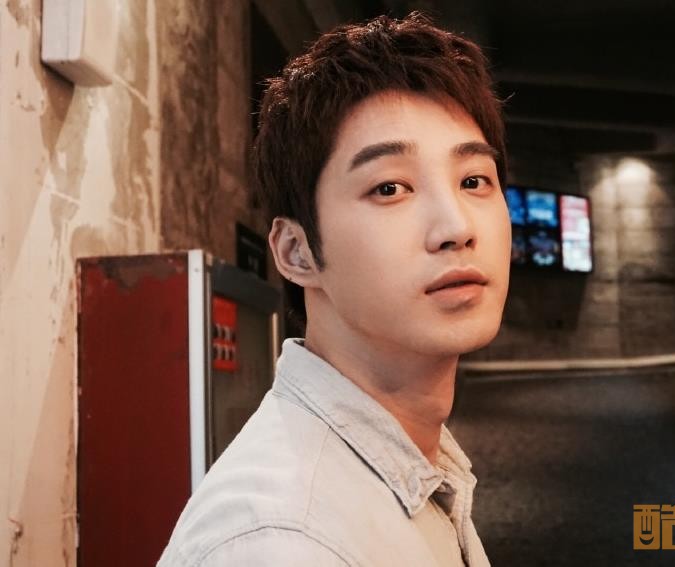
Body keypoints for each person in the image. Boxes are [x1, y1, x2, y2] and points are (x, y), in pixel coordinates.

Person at [158, 12, 510, 566]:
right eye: (389, 188)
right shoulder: (284, 541)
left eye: (474, 181)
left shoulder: (414, 462)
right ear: (297, 252)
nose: (456, 227)